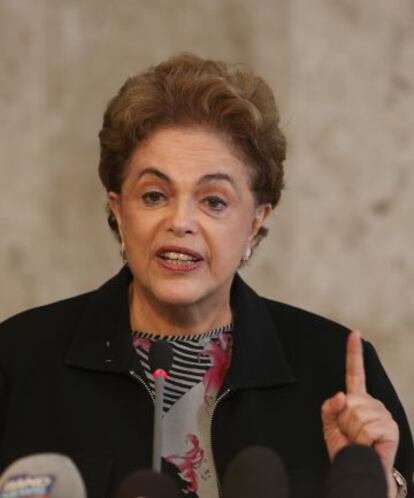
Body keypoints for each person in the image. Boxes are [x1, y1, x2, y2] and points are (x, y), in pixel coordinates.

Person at [0, 53, 412, 498]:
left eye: (214, 201)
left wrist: (378, 483)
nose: (180, 222)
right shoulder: (20, 360)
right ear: (118, 210)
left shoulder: (332, 371)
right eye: (155, 195)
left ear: (256, 221)